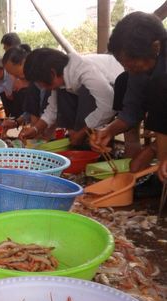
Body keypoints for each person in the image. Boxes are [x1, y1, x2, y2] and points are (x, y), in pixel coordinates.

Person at [105, 11, 167, 183]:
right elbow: (132, 110)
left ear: (156, 47)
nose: (128, 69)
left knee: (161, 84)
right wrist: (108, 131)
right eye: (124, 64)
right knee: (123, 81)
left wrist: (153, 150)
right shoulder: (138, 68)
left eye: (132, 64)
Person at [19, 48, 123, 147]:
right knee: (61, 92)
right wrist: (35, 129)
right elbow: (53, 110)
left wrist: (82, 133)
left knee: (85, 93)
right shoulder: (62, 76)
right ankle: (79, 143)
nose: (43, 87)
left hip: (120, 91)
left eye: (41, 83)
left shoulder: (85, 71)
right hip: (106, 99)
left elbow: (108, 105)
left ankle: (92, 148)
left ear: (52, 73)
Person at [1, 45, 51, 135]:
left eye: (17, 75)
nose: (17, 79)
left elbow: (50, 111)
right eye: (15, 76)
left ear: (23, 62)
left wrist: (35, 129)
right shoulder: (33, 83)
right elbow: (32, 109)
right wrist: (17, 122)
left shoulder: (45, 80)